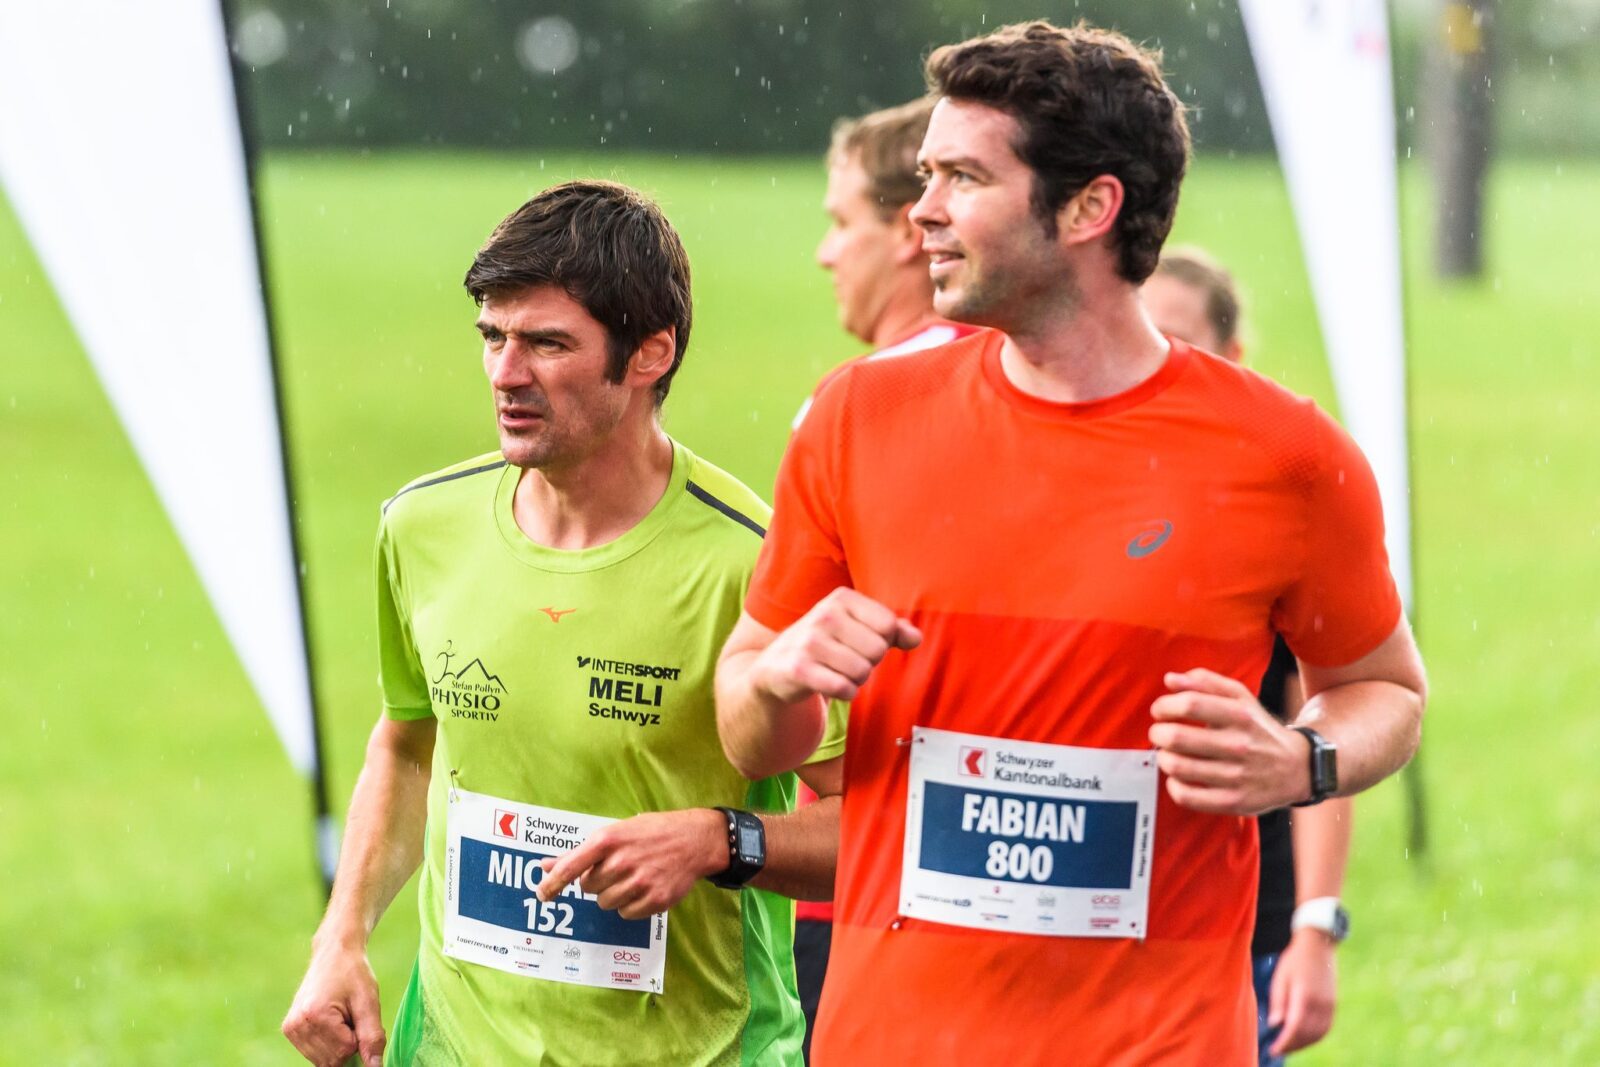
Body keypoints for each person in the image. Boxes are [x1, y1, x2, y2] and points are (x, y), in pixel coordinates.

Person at [715, 20, 1426, 1065]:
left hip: (1158, 1043)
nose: (922, 212)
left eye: (964, 177)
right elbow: (751, 736)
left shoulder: (1285, 455)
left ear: (1091, 207)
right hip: (890, 1040)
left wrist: (1300, 760)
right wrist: (778, 677)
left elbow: (1386, 689)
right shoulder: (856, 417)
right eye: (925, 175)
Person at [282, 180, 843, 1067]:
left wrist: (716, 840)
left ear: (651, 352)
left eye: (547, 343)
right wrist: (340, 936)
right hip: (454, 1048)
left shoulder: (756, 563)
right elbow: (409, 741)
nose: (506, 373)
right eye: (492, 337)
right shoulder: (422, 526)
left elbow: (874, 828)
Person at [795, 95, 984, 1060]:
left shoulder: (861, 404)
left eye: (841, 222)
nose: (825, 253)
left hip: (864, 881)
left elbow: (795, 668)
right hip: (1004, 863)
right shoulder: (1024, 379)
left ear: (911, 231)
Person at [1145, 247, 1353, 1065]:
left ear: (1232, 355)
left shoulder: (1268, 503)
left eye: (1180, 338)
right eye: (1144, 335)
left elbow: (1327, 732)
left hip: (1240, 925)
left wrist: (1314, 928)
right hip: (1089, 916)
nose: (1161, 357)